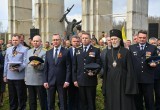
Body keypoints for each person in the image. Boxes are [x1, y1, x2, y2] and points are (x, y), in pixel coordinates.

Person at [102, 29, 137, 110]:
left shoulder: (126, 52)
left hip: (123, 83)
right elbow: (106, 70)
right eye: (112, 39)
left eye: (115, 39)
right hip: (110, 83)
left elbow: (130, 70)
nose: (113, 41)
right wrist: (104, 86)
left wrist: (129, 87)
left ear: (119, 40)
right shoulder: (108, 52)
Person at [129, 30, 157, 110]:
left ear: (146, 38)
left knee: (149, 101)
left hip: (148, 79)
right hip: (136, 79)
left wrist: (154, 64)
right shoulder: (132, 47)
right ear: (137, 37)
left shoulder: (152, 48)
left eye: (144, 38)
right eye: (140, 37)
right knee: (137, 102)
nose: (142, 39)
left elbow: (155, 60)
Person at [73, 32, 101, 110]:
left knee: (91, 102)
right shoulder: (77, 50)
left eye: (86, 38)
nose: (84, 40)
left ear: (90, 40)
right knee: (82, 103)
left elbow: (98, 64)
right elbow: (75, 65)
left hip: (91, 80)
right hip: (80, 80)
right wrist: (75, 79)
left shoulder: (96, 50)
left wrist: (94, 72)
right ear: (81, 39)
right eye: (83, 38)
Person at [44, 34, 71, 110]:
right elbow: (46, 68)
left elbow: (68, 67)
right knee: (50, 103)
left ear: (61, 41)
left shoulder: (66, 52)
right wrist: (45, 81)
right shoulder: (48, 52)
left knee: (63, 102)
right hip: (50, 81)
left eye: (57, 40)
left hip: (62, 82)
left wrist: (67, 80)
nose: (55, 41)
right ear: (52, 41)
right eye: (54, 40)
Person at [3, 34, 28, 110]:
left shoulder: (25, 49)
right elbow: (6, 62)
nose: (14, 42)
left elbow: (25, 62)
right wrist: (5, 75)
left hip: (19, 77)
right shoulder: (9, 49)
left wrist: (18, 68)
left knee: (21, 96)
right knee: (12, 97)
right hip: (10, 76)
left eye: (16, 40)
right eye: (13, 40)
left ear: (19, 40)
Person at [25, 35, 48, 110]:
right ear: (32, 42)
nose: (35, 42)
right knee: (32, 101)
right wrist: (25, 77)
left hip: (39, 80)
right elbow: (26, 65)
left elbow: (44, 66)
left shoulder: (44, 52)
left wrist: (37, 66)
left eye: (37, 41)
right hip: (30, 80)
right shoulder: (28, 51)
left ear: (41, 42)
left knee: (42, 101)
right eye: (34, 41)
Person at [68, 35, 80, 110]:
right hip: (69, 78)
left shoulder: (82, 51)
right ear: (71, 42)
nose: (76, 43)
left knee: (79, 98)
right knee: (70, 97)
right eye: (74, 41)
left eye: (77, 41)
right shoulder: (67, 51)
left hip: (79, 78)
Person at [149, 37, 160, 110]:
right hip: (149, 76)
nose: (153, 45)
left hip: (158, 76)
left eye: (154, 43)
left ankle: (158, 107)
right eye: (151, 43)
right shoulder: (147, 52)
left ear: (157, 43)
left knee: (158, 94)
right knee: (149, 95)